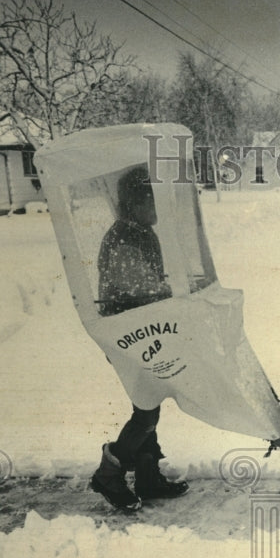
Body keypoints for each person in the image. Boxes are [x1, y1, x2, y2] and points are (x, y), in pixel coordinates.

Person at [90, 165, 188, 511]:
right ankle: (108, 472)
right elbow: (138, 286)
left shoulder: (143, 232)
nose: (158, 209)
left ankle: (147, 478)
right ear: (134, 202)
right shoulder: (122, 238)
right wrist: (176, 291)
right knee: (146, 412)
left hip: (143, 331)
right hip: (126, 334)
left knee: (150, 401)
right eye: (152, 200)